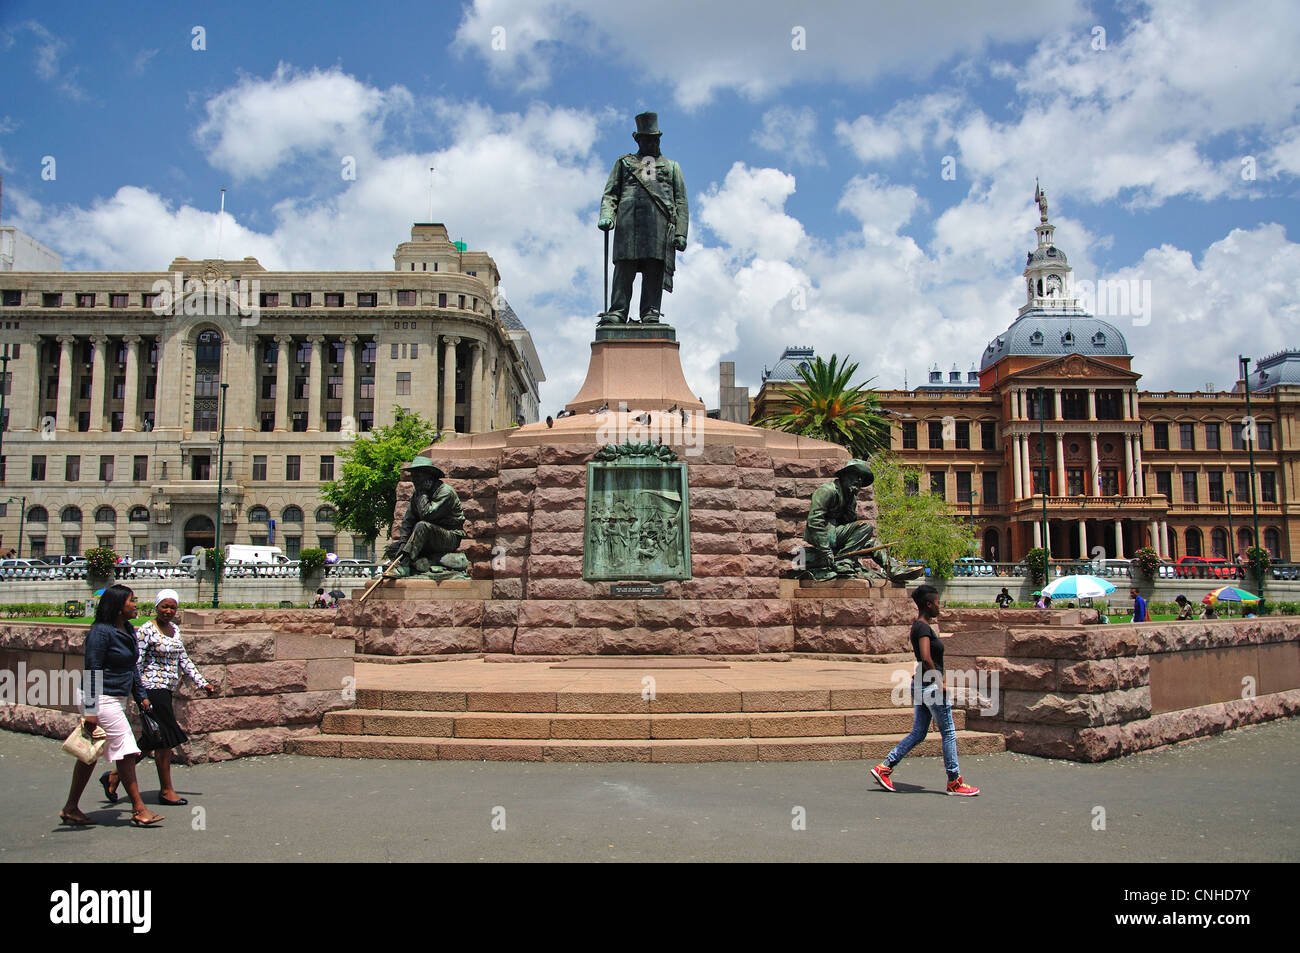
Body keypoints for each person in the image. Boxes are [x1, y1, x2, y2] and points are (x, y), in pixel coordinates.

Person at [59, 585, 165, 827]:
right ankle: (139, 808)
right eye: (132, 601)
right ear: (118, 606)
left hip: (115, 696)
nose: (136, 604)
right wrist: (91, 711)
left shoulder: (126, 629)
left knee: (90, 754)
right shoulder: (101, 632)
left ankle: (70, 807)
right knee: (127, 750)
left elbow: (131, 666)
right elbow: (93, 668)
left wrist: (141, 695)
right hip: (100, 697)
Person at [104, 589, 216, 806]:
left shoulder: (174, 630)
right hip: (151, 688)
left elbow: (184, 659)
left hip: (166, 689)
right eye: (164, 606)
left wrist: (203, 683)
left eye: (172, 607)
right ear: (156, 607)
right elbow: (136, 662)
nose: (168, 611)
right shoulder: (147, 630)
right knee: (165, 738)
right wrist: (139, 693)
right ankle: (166, 790)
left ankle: (116, 775)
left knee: (155, 738)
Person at [870, 585, 980, 797]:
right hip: (930, 686)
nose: (940, 606)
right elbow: (926, 656)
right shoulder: (922, 628)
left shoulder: (921, 627)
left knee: (919, 733)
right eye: (937, 603)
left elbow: (927, 660)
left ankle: (884, 768)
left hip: (921, 684)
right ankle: (954, 781)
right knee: (948, 732)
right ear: (928, 604)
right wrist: (941, 682)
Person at [597, 111, 689, 325]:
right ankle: (618, 311)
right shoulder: (623, 164)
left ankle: (650, 311)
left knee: (653, 269)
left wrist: (681, 232)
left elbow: (681, 201)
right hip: (628, 224)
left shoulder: (671, 167)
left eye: (654, 138)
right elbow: (610, 193)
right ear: (638, 139)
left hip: (658, 226)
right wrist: (606, 215)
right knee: (624, 269)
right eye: (647, 138)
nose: (651, 142)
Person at [801, 460, 922, 584]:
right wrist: (825, 549)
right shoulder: (827, 490)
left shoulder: (850, 497)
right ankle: (843, 562)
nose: (859, 480)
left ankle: (894, 569)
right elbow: (814, 520)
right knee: (865, 527)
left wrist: (849, 507)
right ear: (844, 476)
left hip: (838, 534)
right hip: (825, 534)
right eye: (855, 476)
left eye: (861, 478)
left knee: (873, 543)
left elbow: (850, 525)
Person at [384, 457, 468, 578]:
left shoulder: (445, 492)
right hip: (426, 536)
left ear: (429, 475)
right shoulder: (418, 493)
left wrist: (423, 493)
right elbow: (409, 520)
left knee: (422, 525)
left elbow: (428, 515)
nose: (413, 479)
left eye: (417, 475)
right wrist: (403, 542)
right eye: (412, 475)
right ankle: (423, 563)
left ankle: (405, 566)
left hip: (449, 537)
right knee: (393, 549)